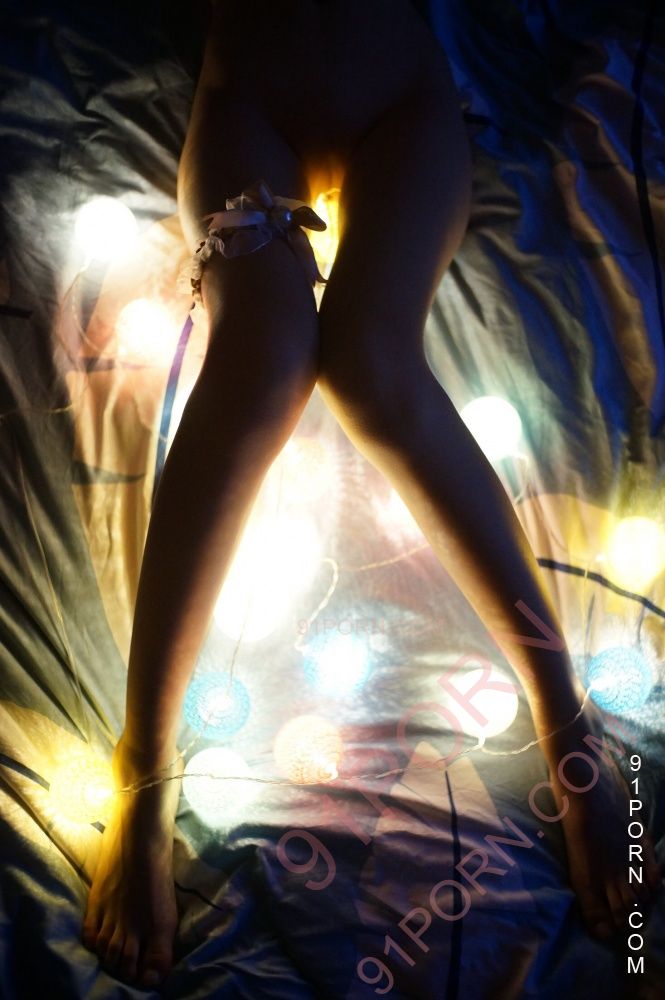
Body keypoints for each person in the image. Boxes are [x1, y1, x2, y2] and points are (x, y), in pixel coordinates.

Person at [80, 0, 660, 988]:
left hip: (399, 105)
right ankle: (143, 765)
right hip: (248, 102)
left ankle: (568, 726)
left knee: (370, 361)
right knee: (261, 361)